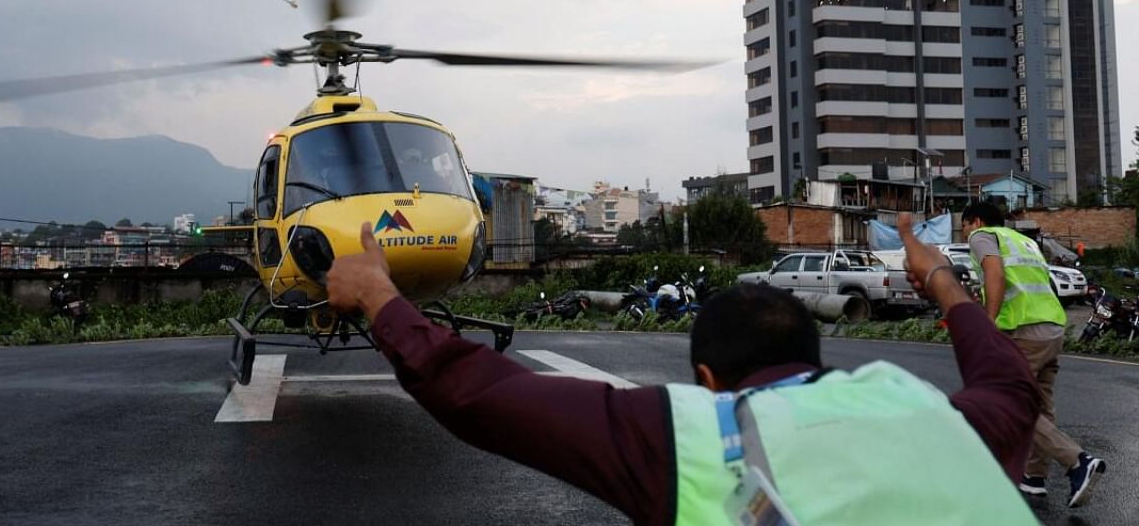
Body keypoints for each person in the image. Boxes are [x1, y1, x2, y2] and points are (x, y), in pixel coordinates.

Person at [325, 215, 1041, 525]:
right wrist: (943, 282)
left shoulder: (694, 436)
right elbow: (1008, 382)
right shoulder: (931, 412)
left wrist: (378, 295)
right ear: (814, 357)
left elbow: (481, 393)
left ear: (706, 379)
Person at [962, 201, 1106, 507]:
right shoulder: (1025, 241)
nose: (965, 235)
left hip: (1022, 329)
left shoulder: (982, 236)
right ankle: (1035, 477)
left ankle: (1078, 461)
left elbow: (995, 275)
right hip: (1052, 326)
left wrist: (987, 324)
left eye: (964, 227)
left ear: (975, 221)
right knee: (1040, 404)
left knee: (1006, 400)